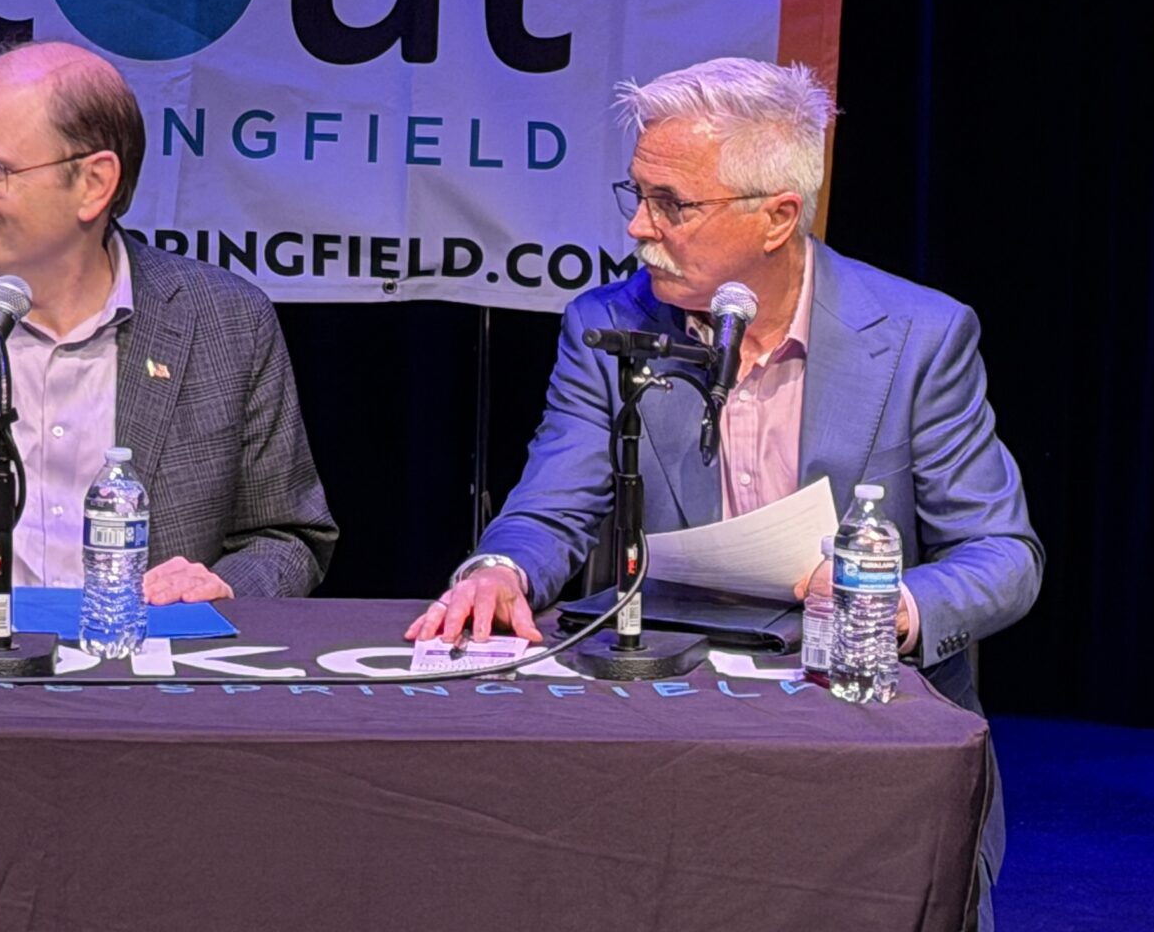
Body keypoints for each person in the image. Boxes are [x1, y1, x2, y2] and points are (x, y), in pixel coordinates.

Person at [409, 56, 1039, 923]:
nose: (638, 227)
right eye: (634, 194)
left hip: (854, 711)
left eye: (673, 204)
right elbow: (555, 501)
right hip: (673, 710)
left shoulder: (921, 337)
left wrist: (892, 604)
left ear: (778, 216)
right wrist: (500, 570)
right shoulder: (609, 323)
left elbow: (1003, 554)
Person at [0, 41, 335, 618]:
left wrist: (221, 588)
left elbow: (286, 535)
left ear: (94, 184)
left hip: (146, 667)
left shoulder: (225, 322)